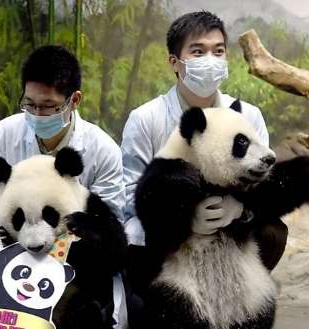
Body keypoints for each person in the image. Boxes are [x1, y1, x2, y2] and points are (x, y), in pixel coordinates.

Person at [0, 45, 128, 329]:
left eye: (47, 106)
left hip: (79, 266)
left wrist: (63, 245)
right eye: (29, 104)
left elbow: (109, 227)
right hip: (17, 257)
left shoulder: (102, 149)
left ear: (74, 100)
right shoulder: (6, 133)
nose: (36, 114)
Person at [121, 11, 288, 273]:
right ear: (174, 62)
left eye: (218, 51)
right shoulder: (145, 119)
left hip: (229, 226)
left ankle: (237, 298)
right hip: (169, 234)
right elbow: (130, 195)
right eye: (198, 52)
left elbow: (264, 182)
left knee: (272, 230)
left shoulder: (248, 115)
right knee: (133, 233)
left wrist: (239, 208)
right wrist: (185, 217)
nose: (210, 60)